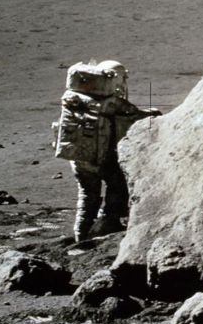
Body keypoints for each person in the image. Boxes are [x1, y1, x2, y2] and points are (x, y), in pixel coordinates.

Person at [53, 60, 161, 242]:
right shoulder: (112, 102)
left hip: (79, 158)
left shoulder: (74, 98)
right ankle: (107, 224)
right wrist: (154, 113)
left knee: (87, 195)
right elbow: (135, 114)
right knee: (117, 186)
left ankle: (82, 235)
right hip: (102, 159)